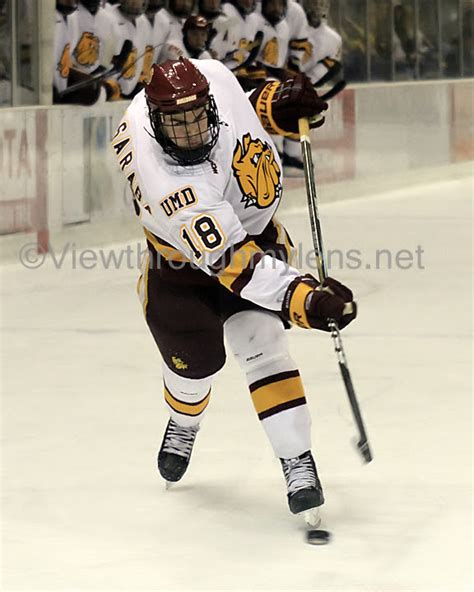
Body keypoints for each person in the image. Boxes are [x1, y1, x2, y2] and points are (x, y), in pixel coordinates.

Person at [111, 57, 357, 524]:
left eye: (197, 117)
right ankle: (184, 423)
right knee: (195, 368)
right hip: (182, 268)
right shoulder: (170, 186)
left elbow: (244, 105)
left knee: (263, 345)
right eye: (177, 125)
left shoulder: (211, 80)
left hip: (256, 238)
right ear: (159, 125)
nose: (190, 133)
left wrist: (275, 106)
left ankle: (297, 461)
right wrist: (306, 299)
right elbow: (240, 269)